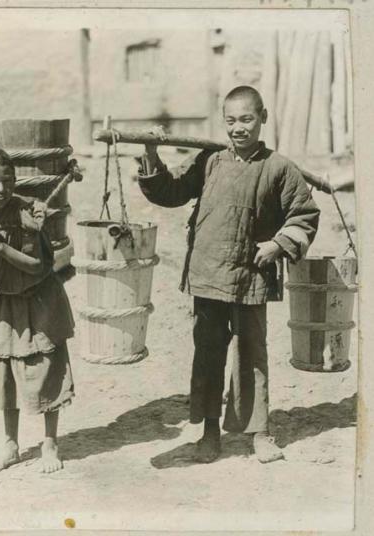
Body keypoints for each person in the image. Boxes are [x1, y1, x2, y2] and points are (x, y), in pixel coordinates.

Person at [138, 86, 320, 464]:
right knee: (208, 353)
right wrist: (151, 153)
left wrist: (278, 245)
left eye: (247, 119)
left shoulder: (279, 168)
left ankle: (260, 433)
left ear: (263, 117)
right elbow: (170, 192)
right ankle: (208, 432)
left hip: (253, 275)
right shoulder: (210, 160)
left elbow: (304, 215)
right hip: (208, 273)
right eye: (231, 121)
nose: (239, 128)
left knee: (252, 354)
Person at [0, 147, 75, 473]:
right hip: (2, 303)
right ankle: (11, 444)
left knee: (46, 368)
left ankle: (50, 442)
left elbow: (38, 267)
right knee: (3, 373)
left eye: (8, 181)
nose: (1, 189)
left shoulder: (28, 213)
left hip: (39, 299)